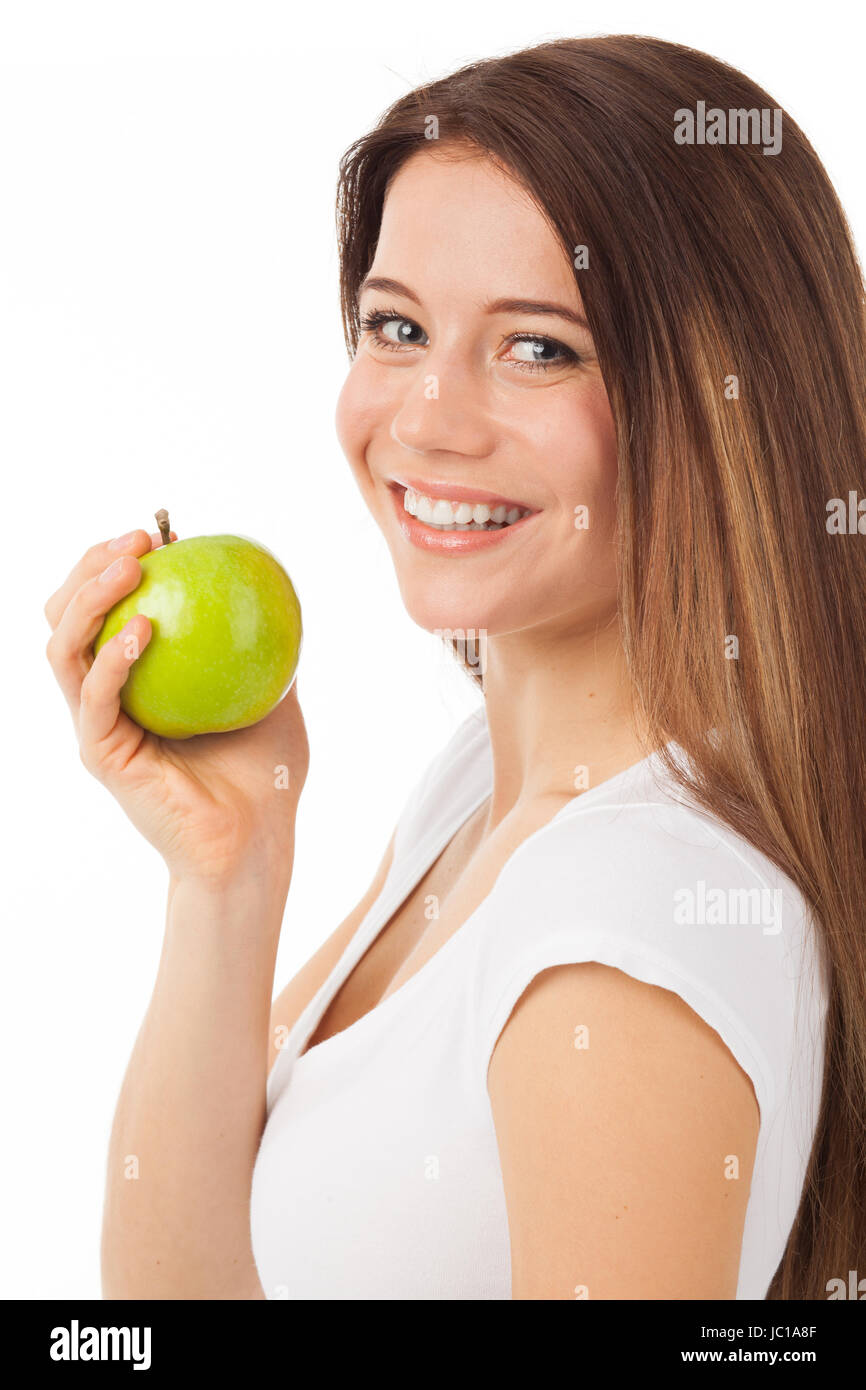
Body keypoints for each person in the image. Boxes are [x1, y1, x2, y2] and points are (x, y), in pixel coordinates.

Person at [44, 35, 866, 1300]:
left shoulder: (617, 934)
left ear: (721, 403)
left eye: (538, 346)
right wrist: (230, 872)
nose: (425, 418)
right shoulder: (485, 786)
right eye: (395, 326)